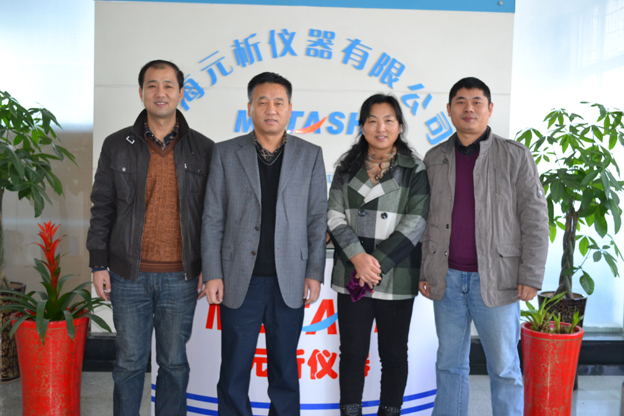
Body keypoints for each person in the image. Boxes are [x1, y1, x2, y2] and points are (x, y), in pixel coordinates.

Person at [87, 60, 214, 416]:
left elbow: (212, 216)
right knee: (129, 362)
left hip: (181, 276)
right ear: (141, 92)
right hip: (128, 274)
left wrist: (210, 267)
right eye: (152, 85)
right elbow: (102, 206)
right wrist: (98, 263)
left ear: (181, 93)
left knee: (174, 363)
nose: (161, 92)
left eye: (168, 85)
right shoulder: (117, 145)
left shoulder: (204, 148)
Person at [419, 77, 549, 416]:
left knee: (504, 368)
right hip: (447, 279)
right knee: (449, 365)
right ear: (449, 110)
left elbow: (536, 219)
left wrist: (531, 275)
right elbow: (426, 220)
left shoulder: (514, 155)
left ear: (490, 109)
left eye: (477, 102)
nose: (469, 109)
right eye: (460, 102)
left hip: (499, 279)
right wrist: (426, 270)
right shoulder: (434, 158)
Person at [200, 72, 328, 416]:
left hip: (290, 278)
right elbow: (212, 217)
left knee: (285, 370)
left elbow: (318, 218)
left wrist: (314, 272)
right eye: (262, 102)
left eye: (278, 102)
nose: (271, 109)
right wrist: (212, 272)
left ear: (290, 109)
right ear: (249, 108)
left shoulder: (310, 155)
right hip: (239, 278)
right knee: (234, 369)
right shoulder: (226, 153)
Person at [327, 94, 430, 416]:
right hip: (351, 273)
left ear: (399, 126)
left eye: (388, 120)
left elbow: (416, 222)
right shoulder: (346, 168)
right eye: (372, 120)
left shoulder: (415, 170)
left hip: (395, 274)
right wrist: (358, 258)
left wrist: (374, 265)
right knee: (352, 353)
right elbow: (333, 215)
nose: (380, 128)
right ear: (362, 126)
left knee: (394, 354)